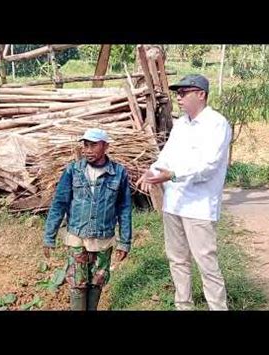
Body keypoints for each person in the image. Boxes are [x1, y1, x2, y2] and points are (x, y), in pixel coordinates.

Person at [137, 74, 232, 310]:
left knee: (206, 262)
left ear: (201, 94)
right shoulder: (181, 124)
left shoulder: (217, 124)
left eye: (184, 93)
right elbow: (167, 156)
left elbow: (208, 166)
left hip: (199, 206)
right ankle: (183, 305)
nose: (178, 98)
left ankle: (217, 307)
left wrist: (172, 174)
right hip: (174, 203)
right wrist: (152, 171)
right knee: (177, 259)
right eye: (177, 93)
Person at [43, 128, 132, 310]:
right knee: (77, 282)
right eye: (85, 145)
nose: (88, 150)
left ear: (105, 146)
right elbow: (59, 203)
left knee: (97, 280)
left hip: (103, 237)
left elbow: (124, 209)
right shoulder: (73, 171)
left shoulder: (118, 173)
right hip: (77, 235)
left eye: (93, 145)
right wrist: (49, 237)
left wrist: (125, 241)